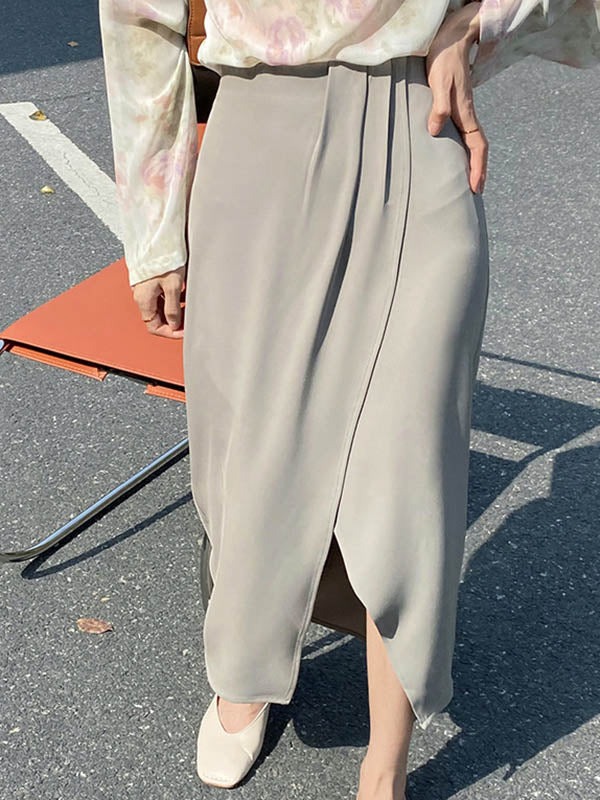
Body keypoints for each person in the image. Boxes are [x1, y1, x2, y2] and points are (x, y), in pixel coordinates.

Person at [98, 1, 600, 797]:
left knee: (410, 466)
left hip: (419, 120)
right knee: (255, 449)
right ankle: (245, 673)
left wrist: (476, 23)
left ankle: (386, 762)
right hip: (261, 131)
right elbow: (138, 17)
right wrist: (154, 229)